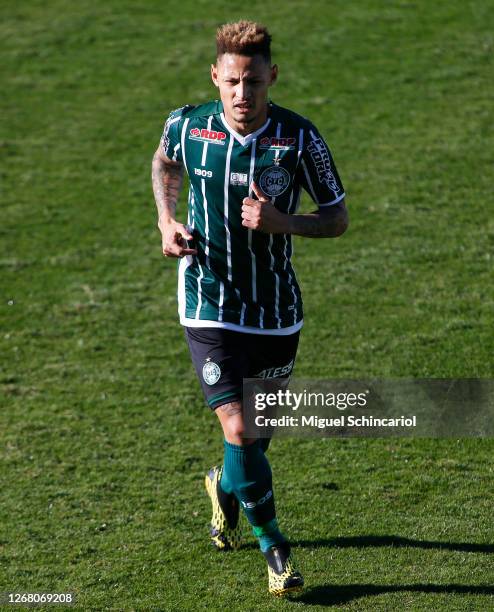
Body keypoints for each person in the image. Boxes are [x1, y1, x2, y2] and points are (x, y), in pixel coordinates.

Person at [151, 20, 348, 597]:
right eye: (233, 81)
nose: (243, 94)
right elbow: (164, 164)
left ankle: (224, 487)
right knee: (238, 426)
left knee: (253, 437)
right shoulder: (188, 126)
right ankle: (275, 548)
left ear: (272, 78)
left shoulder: (300, 139)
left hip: (275, 310)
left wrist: (284, 222)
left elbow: (337, 218)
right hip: (207, 299)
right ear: (216, 76)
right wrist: (166, 221)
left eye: (254, 82)